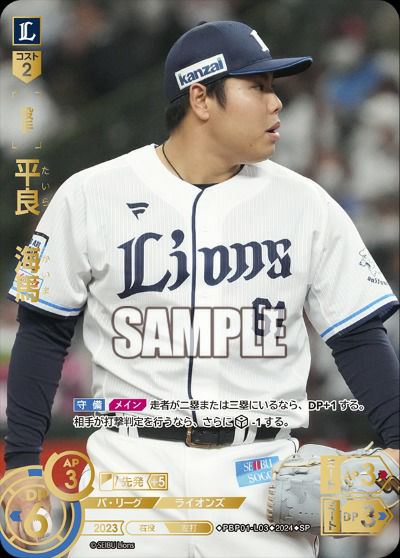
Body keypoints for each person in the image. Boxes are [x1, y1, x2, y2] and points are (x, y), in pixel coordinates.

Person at [2, 20, 399, 558]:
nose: (276, 102)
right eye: (257, 86)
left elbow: (357, 335)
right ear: (201, 98)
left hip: (261, 482)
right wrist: (22, 463)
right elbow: (43, 331)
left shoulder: (307, 204)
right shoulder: (89, 195)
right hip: (129, 474)